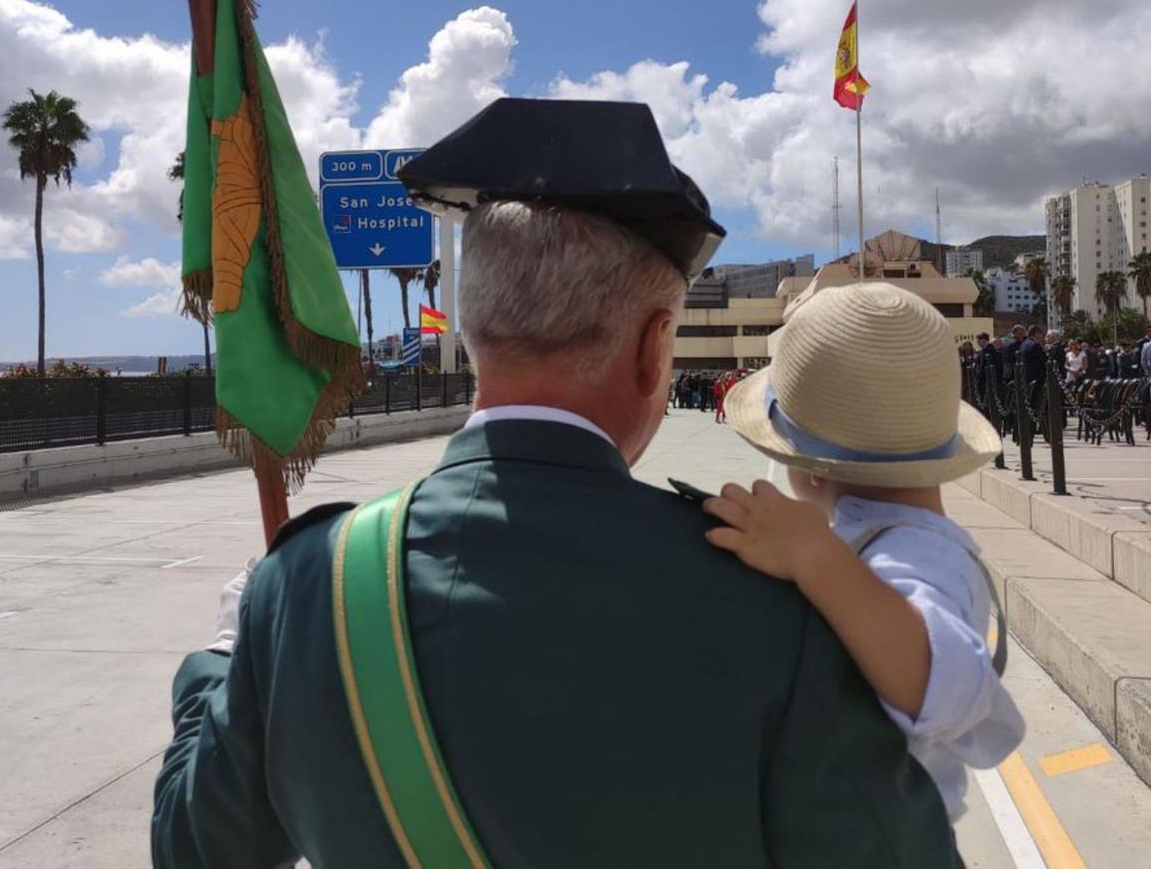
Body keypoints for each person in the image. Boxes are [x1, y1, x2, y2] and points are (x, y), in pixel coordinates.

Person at [151, 98, 961, 868]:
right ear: (653, 349)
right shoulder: (775, 605)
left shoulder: (308, 588)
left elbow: (197, 849)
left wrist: (232, 650)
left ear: (471, 334)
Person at [703, 284, 1024, 823]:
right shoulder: (902, 537)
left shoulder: (918, 553)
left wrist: (814, 555)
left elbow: (941, 681)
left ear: (808, 467)